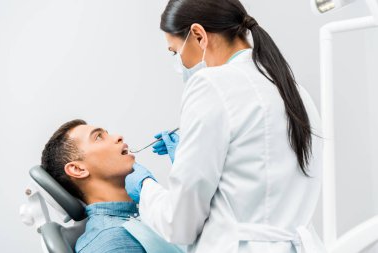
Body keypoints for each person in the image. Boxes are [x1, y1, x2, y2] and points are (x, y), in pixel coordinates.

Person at [124, 0, 327, 252]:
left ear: (198, 35)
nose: (179, 63)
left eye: (175, 52)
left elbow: (179, 224)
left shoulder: (212, 84)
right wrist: (190, 161)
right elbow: (257, 180)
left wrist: (144, 187)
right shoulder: (292, 89)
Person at [41, 119, 183, 253]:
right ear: (78, 169)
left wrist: (186, 170)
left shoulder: (142, 216)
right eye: (98, 137)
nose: (118, 137)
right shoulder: (110, 243)